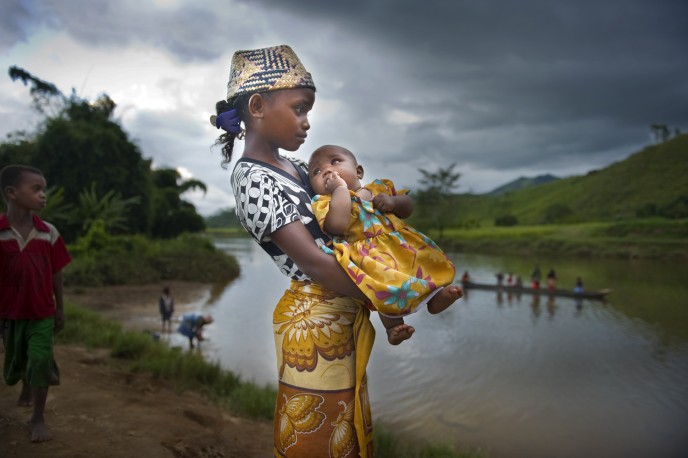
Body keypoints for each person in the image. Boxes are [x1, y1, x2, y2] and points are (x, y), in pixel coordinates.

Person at [211, 44, 381, 456]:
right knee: (318, 430)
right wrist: (384, 294)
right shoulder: (252, 178)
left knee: (348, 425)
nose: (307, 123)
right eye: (300, 108)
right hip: (314, 320)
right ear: (257, 106)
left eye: (308, 111)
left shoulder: (297, 168)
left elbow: (342, 214)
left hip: (338, 308)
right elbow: (311, 260)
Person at [308, 145, 462, 341]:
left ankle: (435, 298)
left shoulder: (380, 188)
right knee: (382, 287)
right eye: (316, 171)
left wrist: (393, 202)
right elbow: (337, 224)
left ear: (358, 171)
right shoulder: (324, 203)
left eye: (335, 161)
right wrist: (340, 190)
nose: (327, 171)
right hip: (369, 257)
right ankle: (393, 327)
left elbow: (407, 207)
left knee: (420, 267)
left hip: (401, 246)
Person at [0, 164, 72, 443]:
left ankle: (38, 418)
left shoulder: (48, 232)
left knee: (40, 359)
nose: (43, 195)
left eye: (44, 189)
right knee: (17, 361)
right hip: (10, 314)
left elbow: (57, 272)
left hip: (42, 311)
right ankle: (26, 384)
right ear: (12, 193)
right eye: (36, 189)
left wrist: (60, 308)